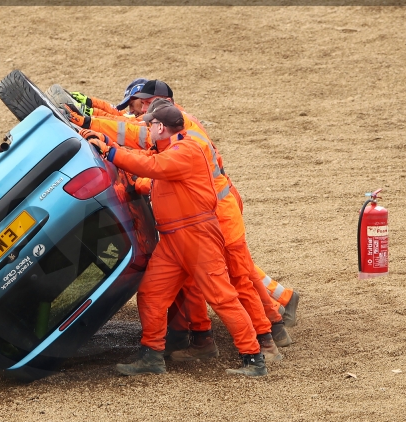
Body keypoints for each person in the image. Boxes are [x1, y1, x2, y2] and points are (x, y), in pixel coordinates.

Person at [64, 81, 298, 346]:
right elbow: (127, 125)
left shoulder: (181, 144)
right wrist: (94, 109)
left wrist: (92, 126)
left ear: (152, 105)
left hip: (213, 217)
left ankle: (265, 336)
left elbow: (140, 145)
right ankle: (208, 336)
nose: (139, 116)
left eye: (138, 107)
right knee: (208, 281)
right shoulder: (172, 125)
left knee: (236, 278)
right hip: (201, 217)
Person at [82, 101, 269, 377]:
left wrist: (110, 151)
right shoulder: (173, 149)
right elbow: (153, 172)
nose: (146, 128)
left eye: (150, 124)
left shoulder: (185, 152)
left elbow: (151, 166)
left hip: (196, 236)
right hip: (173, 238)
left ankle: (253, 357)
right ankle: (151, 354)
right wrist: (109, 143)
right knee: (151, 293)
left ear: (161, 127)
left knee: (222, 297)